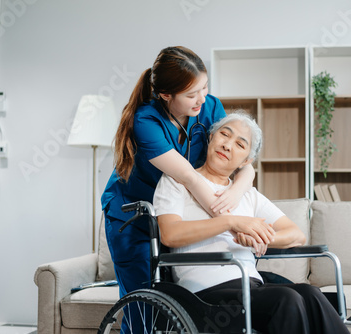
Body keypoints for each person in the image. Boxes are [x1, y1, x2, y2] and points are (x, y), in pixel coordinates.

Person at [101, 46, 274, 328]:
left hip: (175, 213)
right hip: (134, 218)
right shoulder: (146, 120)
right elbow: (190, 178)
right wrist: (233, 222)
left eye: (205, 88)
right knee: (145, 306)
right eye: (192, 94)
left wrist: (237, 189)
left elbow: (243, 162)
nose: (202, 99)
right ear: (166, 95)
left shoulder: (210, 106)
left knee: (175, 306)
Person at [153, 112, 350, 334]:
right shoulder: (176, 181)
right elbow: (170, 234)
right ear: (210, 137)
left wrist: (259, 237)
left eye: (239, 144)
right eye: (224, 135)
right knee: (286, 299)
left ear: (247, 161)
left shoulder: (248, 195)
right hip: (202, 293)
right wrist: (231, 222)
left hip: (250, 286)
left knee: (311, 294)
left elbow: (296, 234)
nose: (227, 145)